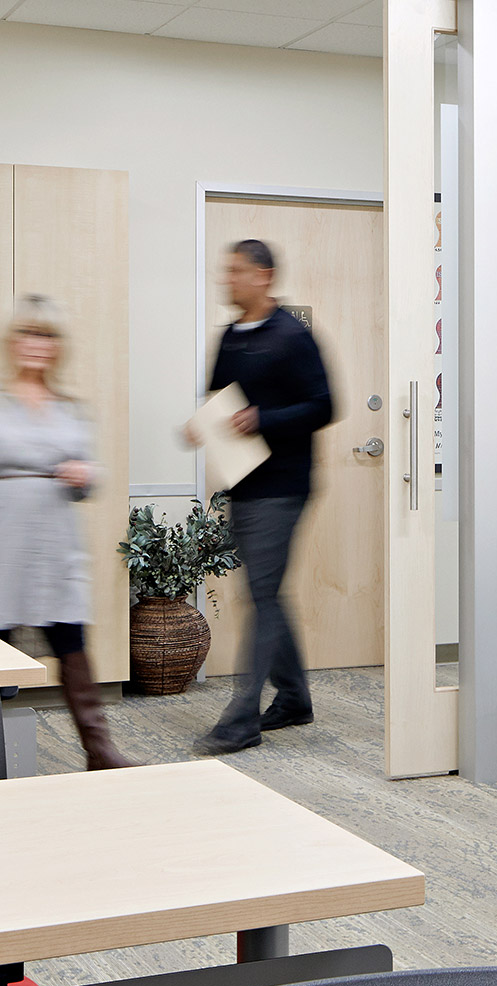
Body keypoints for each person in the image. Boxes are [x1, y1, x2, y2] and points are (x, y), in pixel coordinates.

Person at [0, 295, 134, 770]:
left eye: (47, 335)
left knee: (69, 637)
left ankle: (99, 748)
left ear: (58, 347)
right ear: (11, 341)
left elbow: (92, 477)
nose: (37, 344)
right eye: (28, 333)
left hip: (53, 541)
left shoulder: (70, 408)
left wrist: (85, 473)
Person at [187, 238, 333, 755]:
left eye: (236, 272)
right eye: (225, 272)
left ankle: (241, 717)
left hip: (284, 486)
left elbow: (323, 405)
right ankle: (293, 698)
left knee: (262, 596)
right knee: (267, 593)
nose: (227, 280)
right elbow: (220, 399)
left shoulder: (292, 336)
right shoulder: (230, 335)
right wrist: (202, 426)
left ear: (263, 276)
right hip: (243, 481)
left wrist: (263, 419)